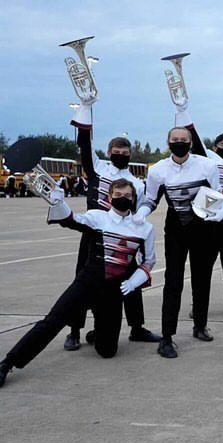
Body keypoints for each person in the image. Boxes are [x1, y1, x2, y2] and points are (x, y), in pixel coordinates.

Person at [0, 180, 155, 388]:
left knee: (108, 351)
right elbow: (71, 220)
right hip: (87, 284)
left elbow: (149, 261)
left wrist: (134, 282)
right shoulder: (97, 218)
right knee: (52, 322)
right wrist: (58, 203)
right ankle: (7, 363)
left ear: (133, 199)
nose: (123, 198)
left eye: (128, 195)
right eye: (118, 194)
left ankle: (98, 333)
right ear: (109, 197)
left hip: (113, 292)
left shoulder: (144, 228)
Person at [63, 101, 160, 351]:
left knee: (131, 280)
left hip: (124, 238)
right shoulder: (99, 168)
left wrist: (141, 220)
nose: (120, 154)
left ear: (130, 154)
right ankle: (74, 330)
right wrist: (84, 108)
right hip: (94, 232)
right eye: (116, 150)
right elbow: (84, 144)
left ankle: (137, 327)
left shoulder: (136, 184)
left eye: (124, 151)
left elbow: (145, 205)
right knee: (81, 281)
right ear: (108, 151)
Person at [136, 126, 223, 359]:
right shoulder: (158, 170)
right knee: (173, 281)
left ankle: (200, 325)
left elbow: (218, 194)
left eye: (183, 139)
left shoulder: (207, 166)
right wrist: (140, 214)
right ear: (168, 143)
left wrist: (219, 213)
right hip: (176, 228)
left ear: (190, 142)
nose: (179, 142)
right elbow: (150, 199)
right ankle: (167, 337)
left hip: (203, 228)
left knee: (202, 277)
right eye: (174, 139)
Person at [173, 107, 223, 314]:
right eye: (222, 145)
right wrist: (183, 111)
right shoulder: (206, 159)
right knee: (204, 264)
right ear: (214, 147)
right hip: (210, 218)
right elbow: (194, 137)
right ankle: (197, 305)